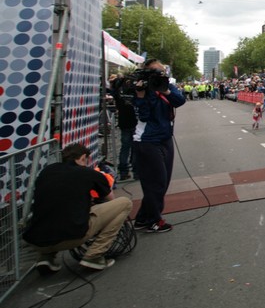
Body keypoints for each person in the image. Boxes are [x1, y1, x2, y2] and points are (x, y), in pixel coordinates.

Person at [23, 143, 132, 272]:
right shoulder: (88, 173)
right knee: (124, 203)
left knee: (54, 211)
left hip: (36, 240)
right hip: (72, 235)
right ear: (83, 157)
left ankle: (46, 257)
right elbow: (110, 199)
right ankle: (94, 255)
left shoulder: (47, 171)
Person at [132, 59, 186, 233]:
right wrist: (141, 96)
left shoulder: (166, 86)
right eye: (157, 72)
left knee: (163, 181)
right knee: (156, 182)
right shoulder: (142, 90)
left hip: (165, 138)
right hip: (147, 141)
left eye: (162, 71)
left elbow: (180, 101)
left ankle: (142, 218)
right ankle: (153, 220)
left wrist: (165, 90)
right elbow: (143, 116)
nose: (161, 74)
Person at [111, 76, 138, 181]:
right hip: (134, 122)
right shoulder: (133, 92)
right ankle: (136, 172)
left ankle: (123, 172)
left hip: (123, 123)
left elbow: (113, 92)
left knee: (125, 148)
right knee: (135, 148)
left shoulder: (118, 94)